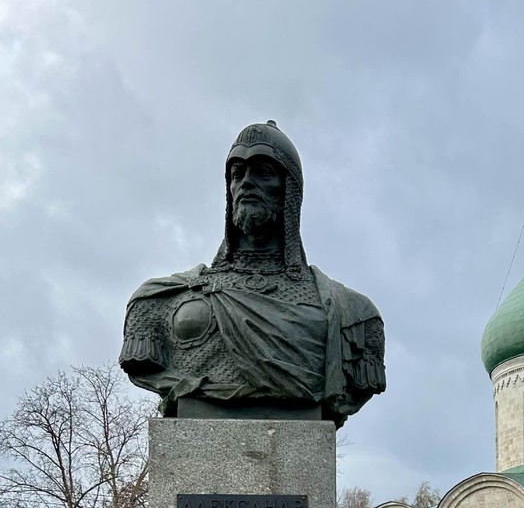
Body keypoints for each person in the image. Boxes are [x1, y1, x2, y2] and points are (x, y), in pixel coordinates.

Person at [120, 121, 385, 425]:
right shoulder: (156, 302)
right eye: (237, 173)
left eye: (263, 172)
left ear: (288, 191)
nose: (246, 182)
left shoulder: (354, 316)